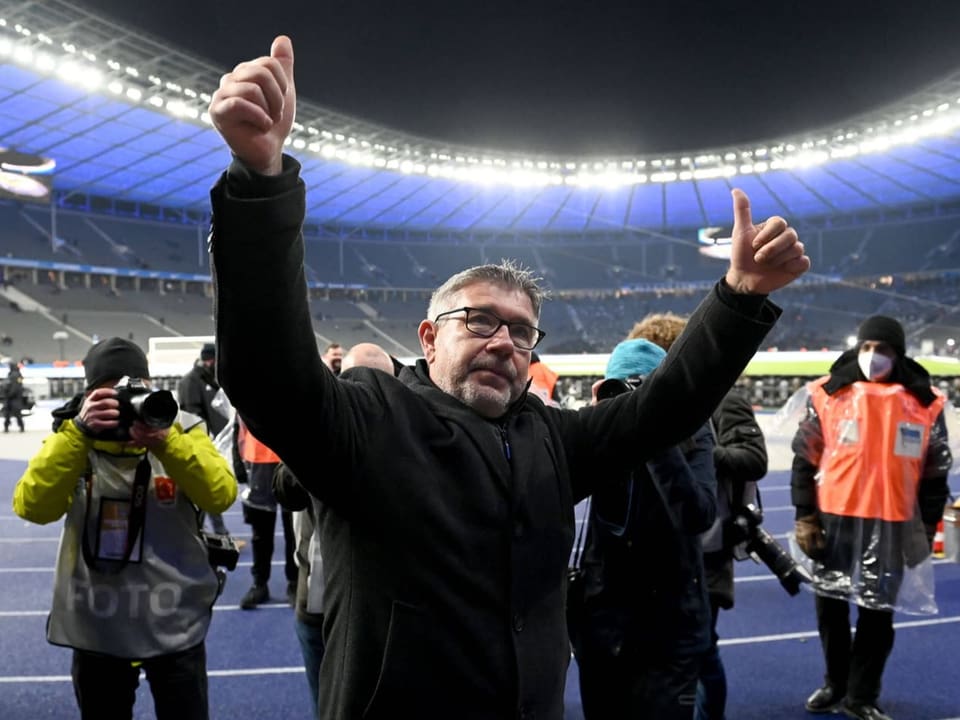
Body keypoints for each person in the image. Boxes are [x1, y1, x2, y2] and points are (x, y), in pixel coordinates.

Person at [207, 34, 809, 718]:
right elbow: (267, 373)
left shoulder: (552, 439)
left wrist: (738, 296)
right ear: (428, 339)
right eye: (480, 321)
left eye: (522, 331)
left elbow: (665, 409)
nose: (504, 341)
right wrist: (260, 182)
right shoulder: (372, 421)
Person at [11, 337, 236, 720]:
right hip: (99, 625)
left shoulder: (180, 426)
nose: (126, 403)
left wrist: (167, 443)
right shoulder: (73, 435)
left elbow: (220, 494)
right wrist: (79, 433)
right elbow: (33, 507)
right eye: (111, 395)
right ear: (89, 397)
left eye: (135, 390)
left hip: (172, 620)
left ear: (148, 386)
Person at [791, 315, 952, 720]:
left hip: (893, 522)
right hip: (834, 518)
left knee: (877, 615)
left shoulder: (925, 403)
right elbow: (803, 459)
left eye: (882, 349)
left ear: (897, 354)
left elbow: (935, 475)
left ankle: (862, 695)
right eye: (866, 347)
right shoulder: (828, 394)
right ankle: (835, 684)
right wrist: (804, 515)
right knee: (830, 607)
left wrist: (926, 527)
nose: (872, 356)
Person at [626, 312, 769, 720]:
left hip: (708, 548)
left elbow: (754, 459)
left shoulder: (725, 401)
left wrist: (698, 451)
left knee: (701, 650)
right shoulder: (647, 404)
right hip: (657, 547)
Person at [572, 338, 717, 719]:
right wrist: (604, 421)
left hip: (671, 630)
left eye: (646, 389)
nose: (636, 402)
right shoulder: (598, 431)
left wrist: (652, 432)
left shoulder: (695, 431)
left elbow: (697, 515)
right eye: (624, 388)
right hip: (604, 626)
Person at [273, 341, 397, 717]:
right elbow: (285, 488)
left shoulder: (411, 435)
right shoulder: (323, 431)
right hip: (324, 598)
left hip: (382, 608)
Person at [235, 417, 298, 609]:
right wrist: (237, 460)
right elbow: (238, 423)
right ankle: (259, 583)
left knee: (293, 529)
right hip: (258, 462)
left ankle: (295, 583)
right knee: (260, 532)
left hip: (291, 459)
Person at [178, 342, 235, 538]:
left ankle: (213, 531)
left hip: (215, 442)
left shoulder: (212, 380)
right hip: (198, 443)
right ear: (210, 359)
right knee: (202, 487)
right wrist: (204, 436)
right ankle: (208, 531)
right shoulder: (190, 382)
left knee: (210, 486)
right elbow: (190, 414)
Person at [2, 360, 25, 432]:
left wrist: (9, 395)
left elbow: (15, 387)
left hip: (13, 398)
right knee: (13, 413)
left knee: (10, 413)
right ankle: (20, 427)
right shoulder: (16, 374)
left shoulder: (14, 375)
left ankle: (8, 427)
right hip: (14, 397)